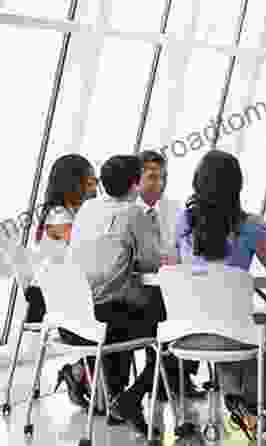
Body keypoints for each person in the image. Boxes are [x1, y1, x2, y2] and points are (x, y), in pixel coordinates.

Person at [175, 150, 266, 440]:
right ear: (238, 185)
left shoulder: (184, 221)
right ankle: (251, 404)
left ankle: (235, 395)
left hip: (188, 331)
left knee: (231, 323)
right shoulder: (251, 225)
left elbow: (172, 263)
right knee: (265, 325)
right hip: (235, 331)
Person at [67, 155, 163, 436]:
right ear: (135, 184)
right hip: (103, 324)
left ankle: (117, 398)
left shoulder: (87, 209)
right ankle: (131, 396)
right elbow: (152, 262)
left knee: (124, 304)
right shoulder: (133, 213)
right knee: (173, 327)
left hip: (74, 320)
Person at [23, 154, 98, 410]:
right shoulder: (58, 216)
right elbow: (84, 250)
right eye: (90, 183)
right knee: (114, 313)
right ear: (73, 183)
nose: (95, 188)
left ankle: (83, 374)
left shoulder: (66, 212)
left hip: (60, 294)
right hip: (50, 301)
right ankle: (83, 374)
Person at [136, 150, 204, 400]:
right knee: (165, 309)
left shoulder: (175, 208)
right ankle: (169, 378)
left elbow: (183, 249)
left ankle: (179, 376)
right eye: (152, 177)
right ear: (136, 179)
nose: (160, 183)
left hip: (173, 283)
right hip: (141, 290)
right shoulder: (128, 212)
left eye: (163, 177)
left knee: (195, 303)